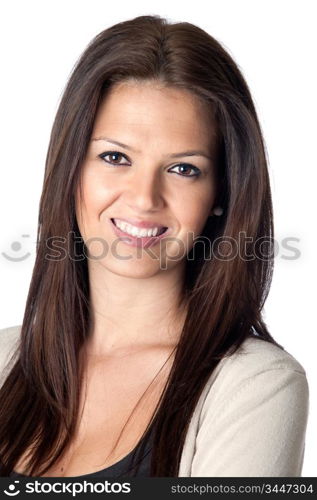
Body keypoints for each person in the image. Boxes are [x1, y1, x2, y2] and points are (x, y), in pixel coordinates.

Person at [0, 15, 309, 477]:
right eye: (115, 157)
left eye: (183, 169)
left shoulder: (256, 386)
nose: (145, 198)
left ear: (221, 194)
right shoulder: (6, 360)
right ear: (70, 170)